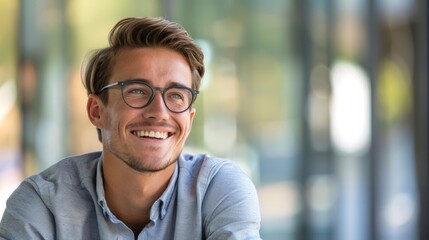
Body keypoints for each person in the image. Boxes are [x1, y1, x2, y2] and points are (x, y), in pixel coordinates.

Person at [0, 17, 261, 239]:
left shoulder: (220, 188)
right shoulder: (44, 204)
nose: (159, 113)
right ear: (96, 111)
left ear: (189, 121)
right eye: (136, 91)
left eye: (176, 95)